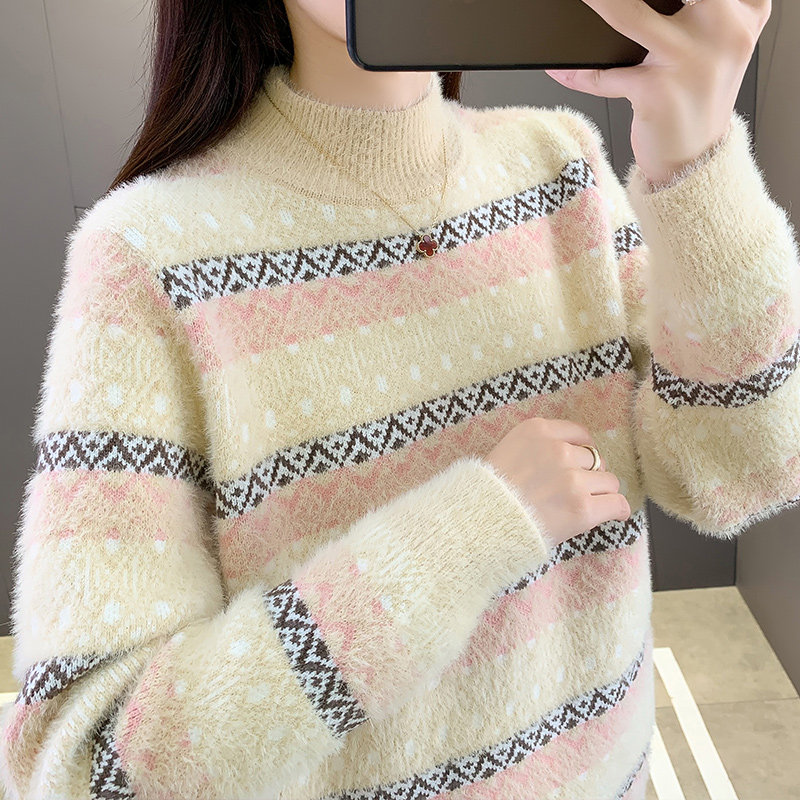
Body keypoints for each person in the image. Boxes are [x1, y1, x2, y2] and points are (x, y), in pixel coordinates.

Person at [1, 0, 796, 798]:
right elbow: (85, 770)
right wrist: (466, 536)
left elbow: (742, 474)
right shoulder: (147, 257)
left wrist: (697, 159)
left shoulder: (561, 166)